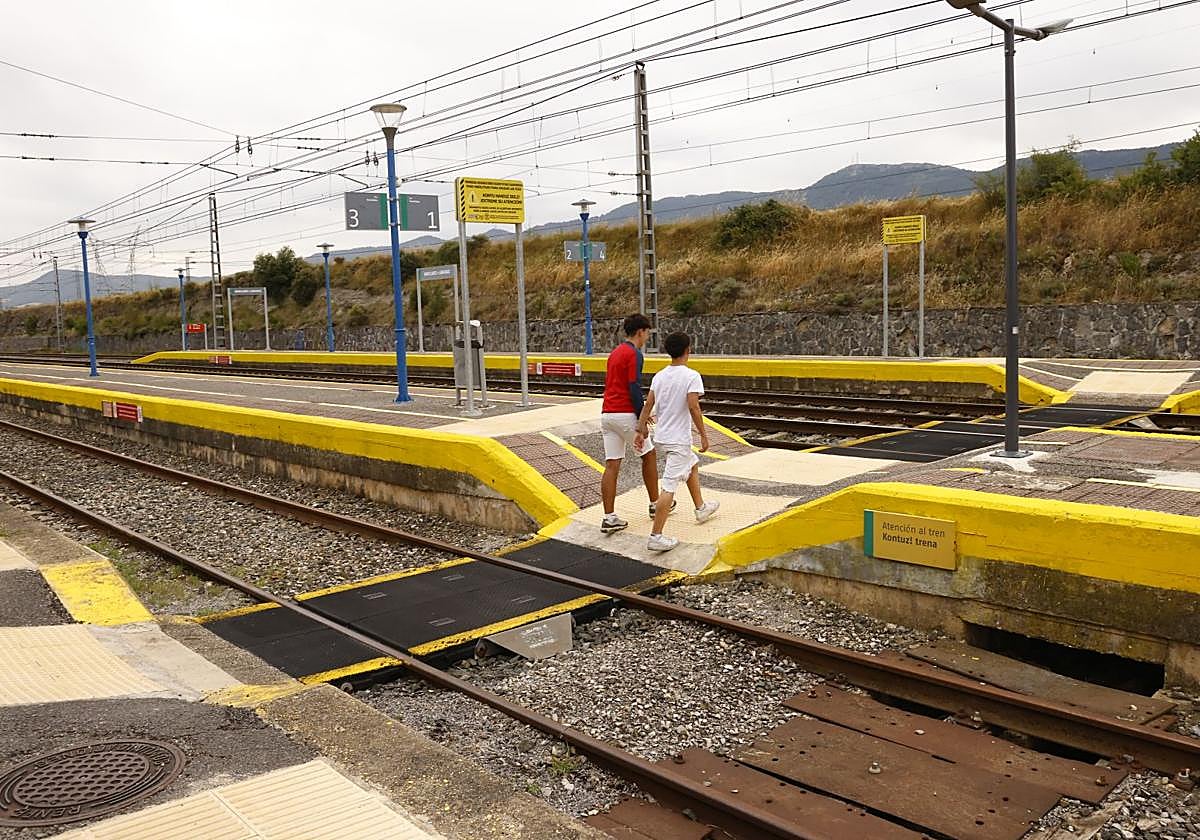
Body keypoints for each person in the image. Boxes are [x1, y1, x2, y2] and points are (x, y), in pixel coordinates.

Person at [634, 331, 719, 552]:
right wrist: (703, 434)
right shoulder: (691, 376)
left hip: (661, 437)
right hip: (677, 440)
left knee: (692, 464)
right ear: (687, 350)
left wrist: (640, 429)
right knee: (669, 486)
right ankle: (656, 535)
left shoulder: (660, 376)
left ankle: (701, 507)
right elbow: (693, 407)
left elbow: (648, 404)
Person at [599, 313, 668, 534]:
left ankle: (609, 517)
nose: (648, 336)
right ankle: (655, 504)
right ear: (641, 332)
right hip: (625, 414)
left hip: (608, 414)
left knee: (612, 465)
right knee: (648, 455)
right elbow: (633, 387)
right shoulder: (634, 354)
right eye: (647, 332)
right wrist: (641, 419)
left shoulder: (615, 352)